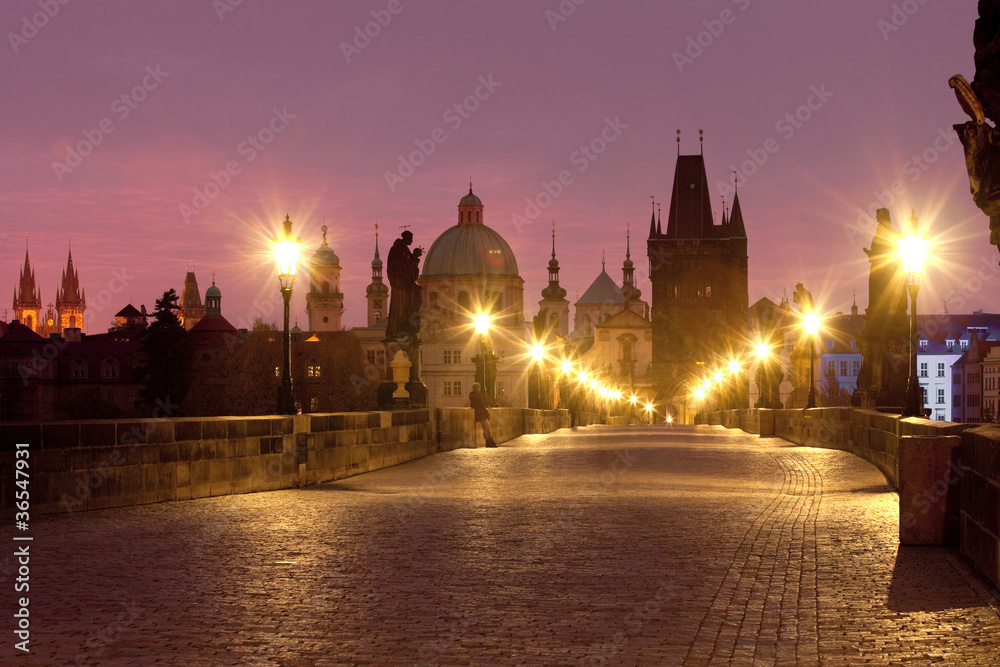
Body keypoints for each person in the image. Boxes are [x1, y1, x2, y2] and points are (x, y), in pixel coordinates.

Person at [386, 230, 423, 341]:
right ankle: (399, 328)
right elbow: (397, 267)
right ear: (406, 238)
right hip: (401, 285)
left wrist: (415, 257)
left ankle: (408, 325)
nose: (412, 240)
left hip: (407, 284)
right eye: (411, 238)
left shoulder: (405, 250)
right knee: (400, 308)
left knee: (417, 299)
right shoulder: (397, 249)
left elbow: (411, 269)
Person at [469, 382, 498, 447]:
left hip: (481, 414)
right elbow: (479, 405)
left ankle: (489, 442)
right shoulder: (474, 395)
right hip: (480, 414)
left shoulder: (475, 395)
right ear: (477, 388)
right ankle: (489, 442)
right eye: (478, 388)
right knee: (487, 428)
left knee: (486, 428)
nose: (479, 389)